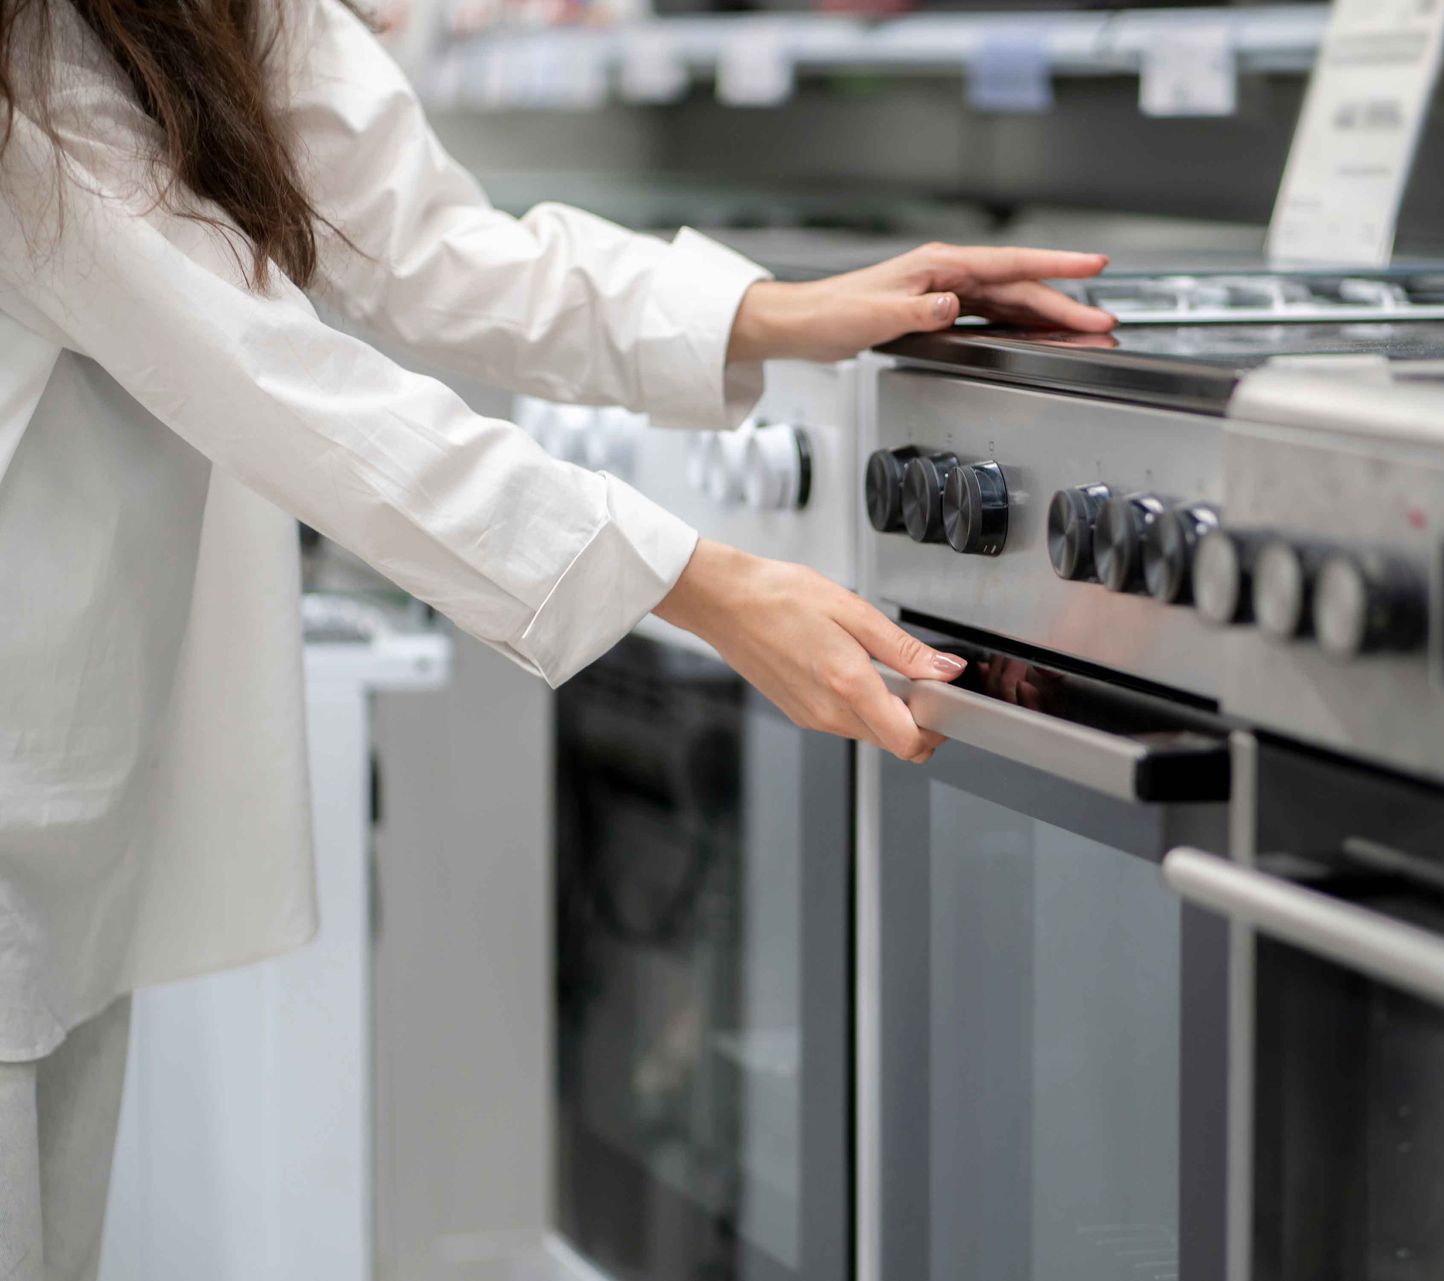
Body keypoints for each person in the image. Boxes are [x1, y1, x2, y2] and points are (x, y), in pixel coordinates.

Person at [0, 0, 1116, 1270]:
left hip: (69, 812)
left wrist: (776, 312)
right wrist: (700, 582)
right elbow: (270, 376)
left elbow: (429, 246)